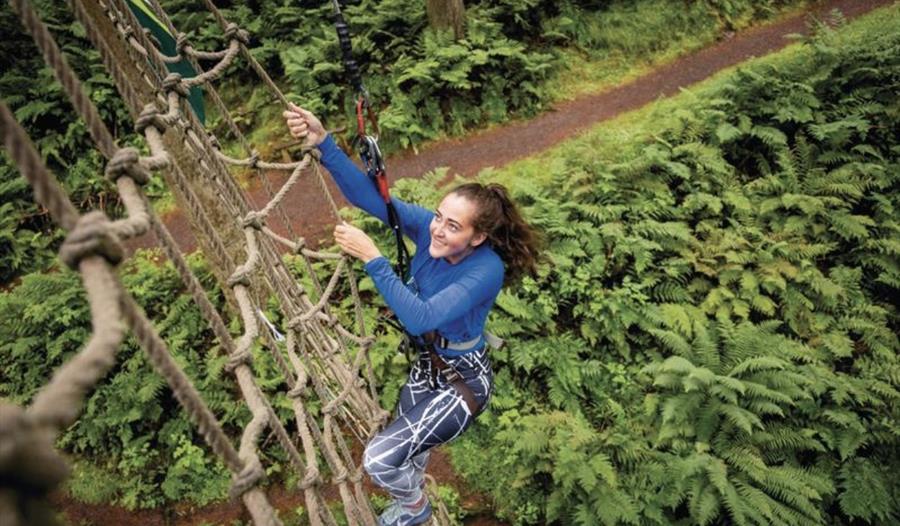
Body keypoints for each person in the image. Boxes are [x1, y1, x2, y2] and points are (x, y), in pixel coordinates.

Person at [284, 104, 540, 526]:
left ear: (479, 237)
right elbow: (373, 200)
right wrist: (323, 142)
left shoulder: (485, 269)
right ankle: (412, 497)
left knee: (381, 460)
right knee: (411, 451)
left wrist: (374, 258)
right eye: (439, 217)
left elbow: (420, 318)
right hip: (431, 364)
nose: (438, 230)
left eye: (453, 226)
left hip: (464, 382)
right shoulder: (428, 231)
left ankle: (416, 512)